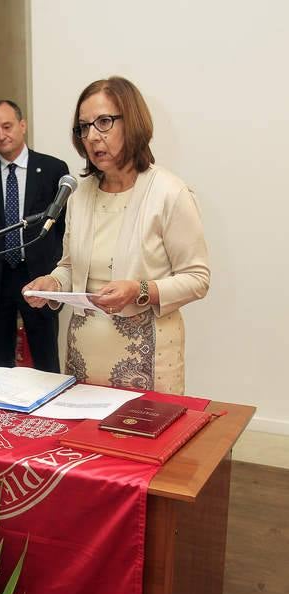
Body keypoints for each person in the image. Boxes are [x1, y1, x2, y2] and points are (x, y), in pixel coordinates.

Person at [24, 77, 210, 394]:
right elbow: (70, 267)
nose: (93, 137)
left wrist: (139, 289)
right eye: (84, 127)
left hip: (147, 362)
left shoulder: (168, 192)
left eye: (104, 122)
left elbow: (197, 278)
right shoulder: (80, 195)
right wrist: (53, 283)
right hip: (83, 359)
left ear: (133, 122)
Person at [0, 100, 69, 372]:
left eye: (7, 126)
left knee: (46, 360)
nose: (1, 135)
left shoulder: (52, 170)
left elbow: (62, 226)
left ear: (22, 126)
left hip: (37, 275)